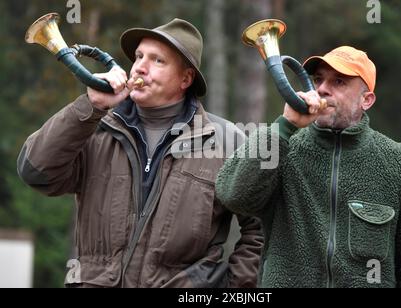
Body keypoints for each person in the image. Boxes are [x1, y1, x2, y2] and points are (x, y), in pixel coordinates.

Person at [17, 18, 263, 288]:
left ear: (186, 79)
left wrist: (232, 288)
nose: (140, 68)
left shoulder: (228, 141)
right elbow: (36, 172)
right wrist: (89, 106)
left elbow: (261, 226)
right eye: (138, 56)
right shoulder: (94, 125)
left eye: (157, 61)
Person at [216, 46, 401, 288]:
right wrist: (284, 126)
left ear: (366, 100)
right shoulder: (285, 146)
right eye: (318, 79)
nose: (322, 89)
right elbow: (233, 195)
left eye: (339, 81)